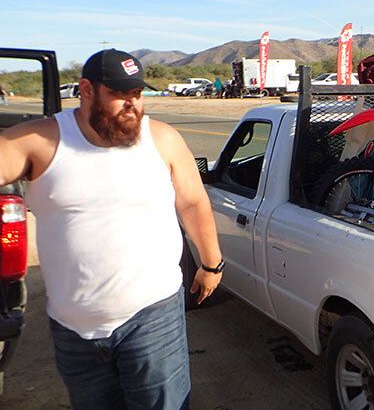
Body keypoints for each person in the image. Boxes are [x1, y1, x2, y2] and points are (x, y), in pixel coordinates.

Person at [0, 49, 224, 409]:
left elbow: (193, 202)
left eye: (137, 94)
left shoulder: (162, 139)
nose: (132, 104)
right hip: (73, 329)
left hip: (153, 318)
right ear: (86, 90)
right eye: (120, 94)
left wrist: (211, 264)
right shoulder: (41, 141)